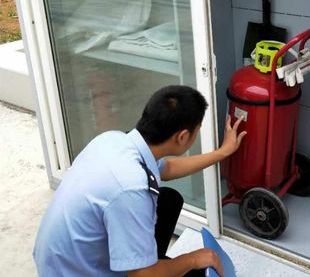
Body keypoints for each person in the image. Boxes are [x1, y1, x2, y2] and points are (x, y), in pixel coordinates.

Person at [33, 85, 246, 276]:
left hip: (63, 263)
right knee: (199, 272)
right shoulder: (131, 189)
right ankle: (148, 263)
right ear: (182, 137)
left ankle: (148, 260)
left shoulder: (113, 140)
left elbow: (168, 168)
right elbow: (142, 276)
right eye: (197, 130)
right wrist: (192, 259)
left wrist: (223, 152)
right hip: (78, 272)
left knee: (168, 200)